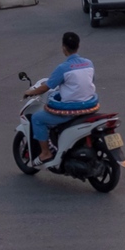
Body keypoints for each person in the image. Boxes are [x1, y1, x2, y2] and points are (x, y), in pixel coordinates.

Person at [26, 30, 99, 162]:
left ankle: (46, 153)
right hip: (90, 106)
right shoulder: (89, 63)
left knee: (37, 118)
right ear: (78, 46)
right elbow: (89, 82)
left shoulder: (63, 68)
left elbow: (47, 87)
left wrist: (30, 92)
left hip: (70, 112)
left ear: (64, 48)